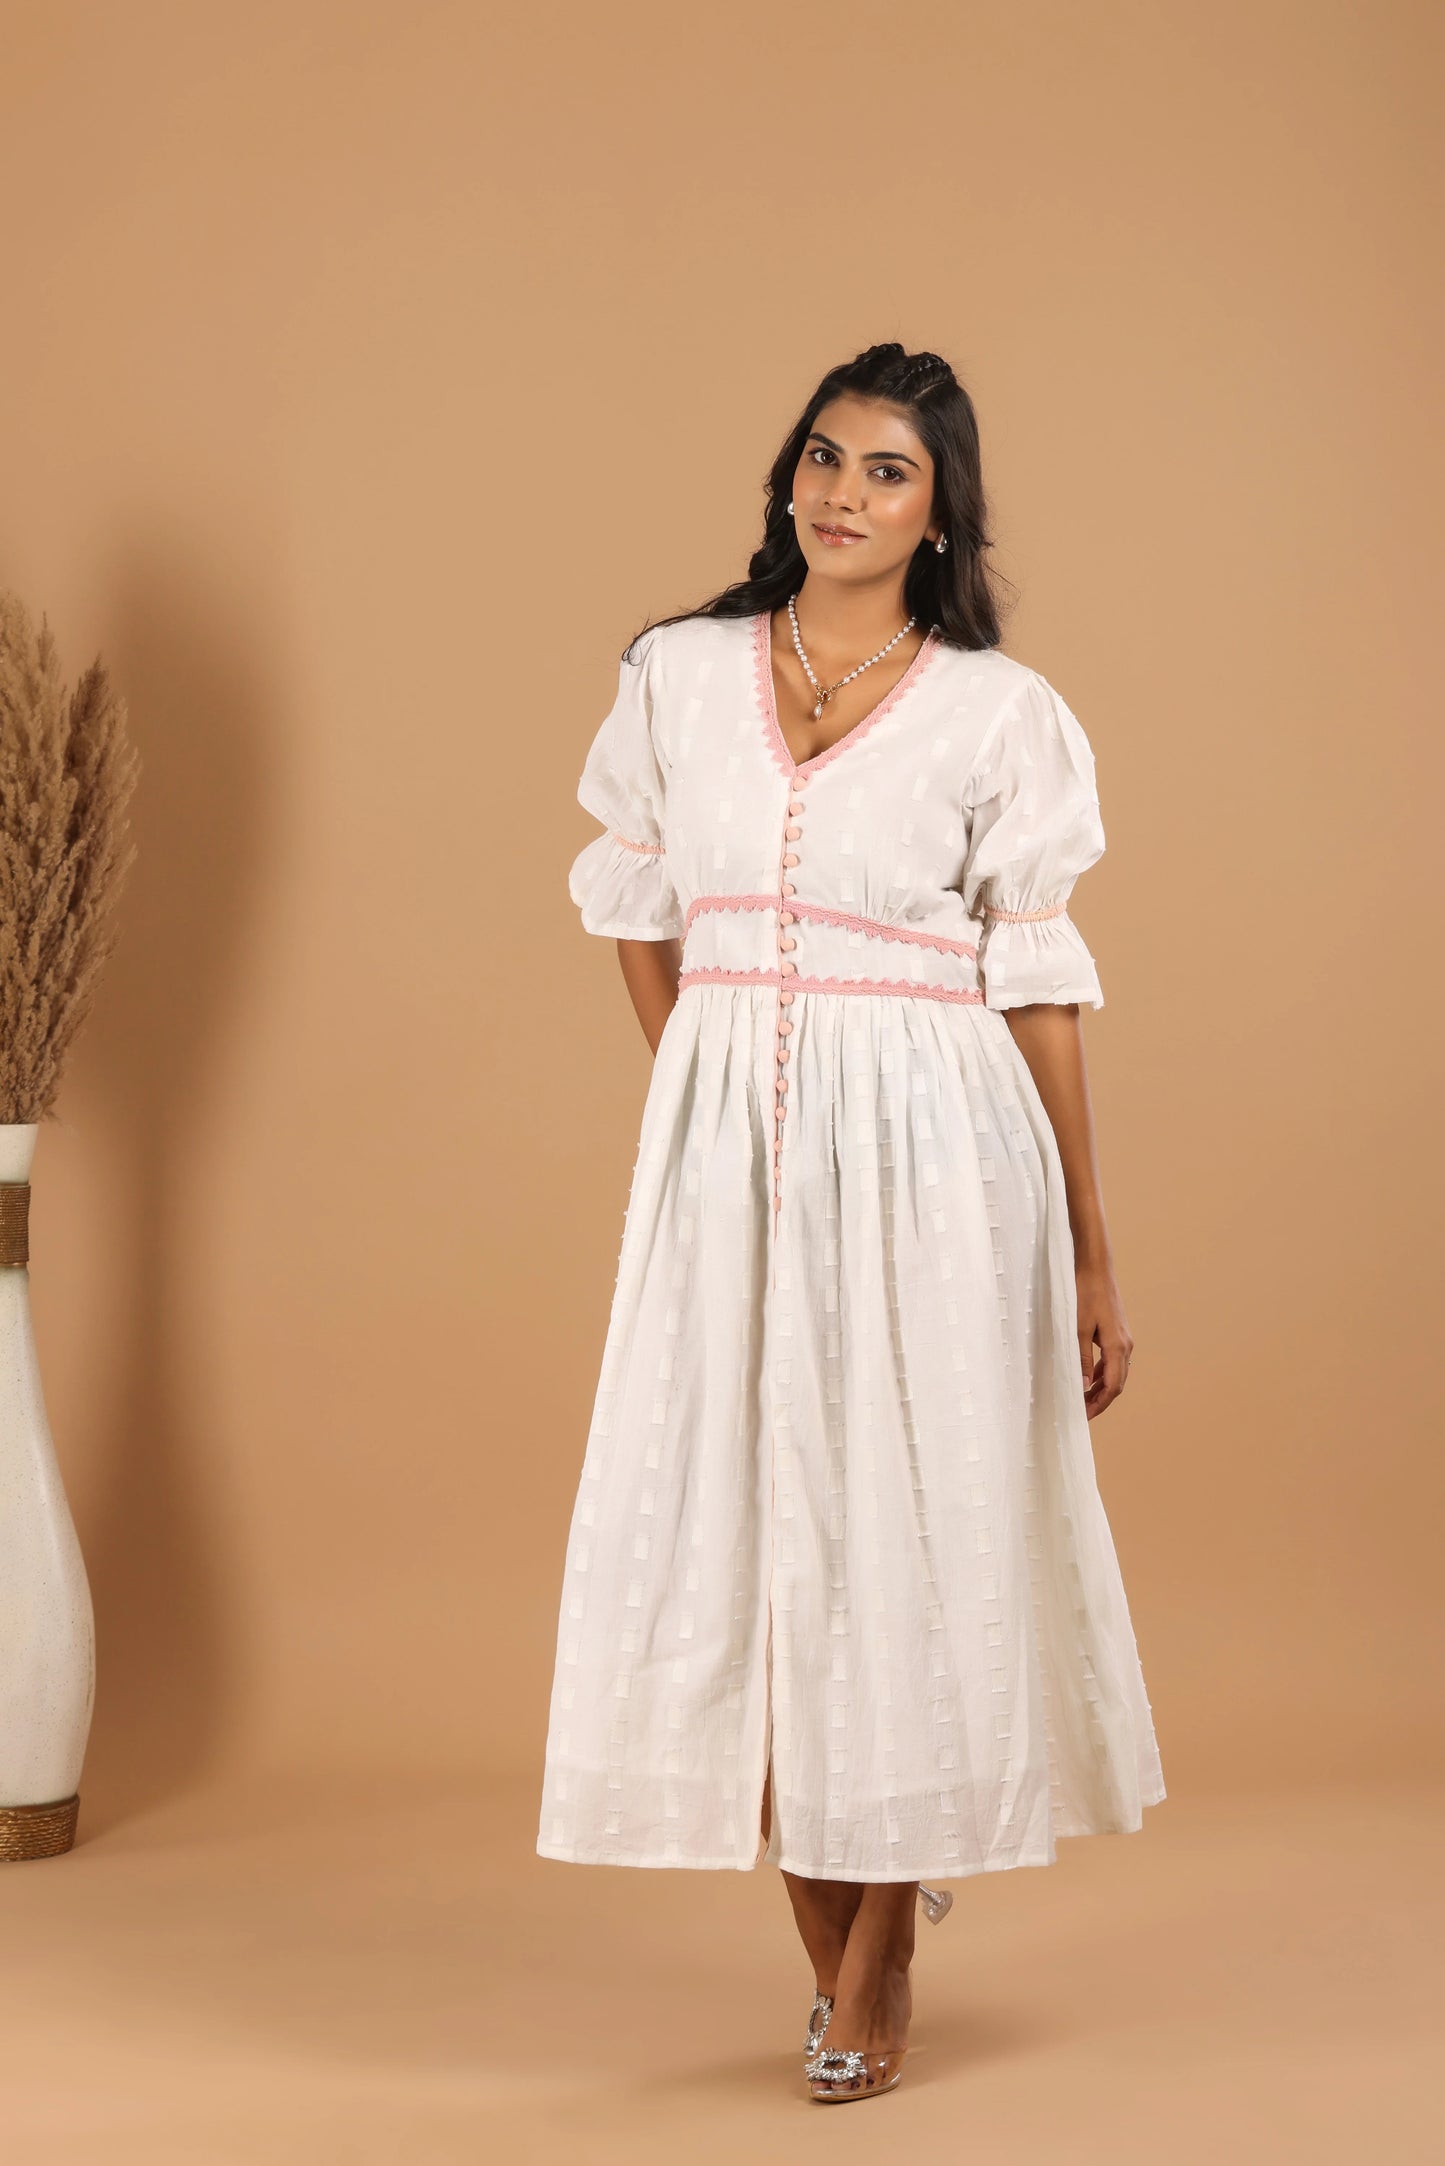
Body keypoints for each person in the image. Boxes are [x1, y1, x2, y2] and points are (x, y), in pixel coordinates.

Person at [536, 342, 1165, 2103]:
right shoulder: (676, 673)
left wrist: (1090, 1245)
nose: (842, 493)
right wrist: (709, 1088)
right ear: (786, 476)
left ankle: (872, 1948)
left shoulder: (996, 710)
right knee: (739, 1521)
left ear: (939, 512)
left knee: (911, 1522)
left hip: (943, 1154)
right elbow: (637, 902)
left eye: (888, 471)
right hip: (727, 1155)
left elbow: (1036, 981)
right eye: (822, 456)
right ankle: (858, 1938)